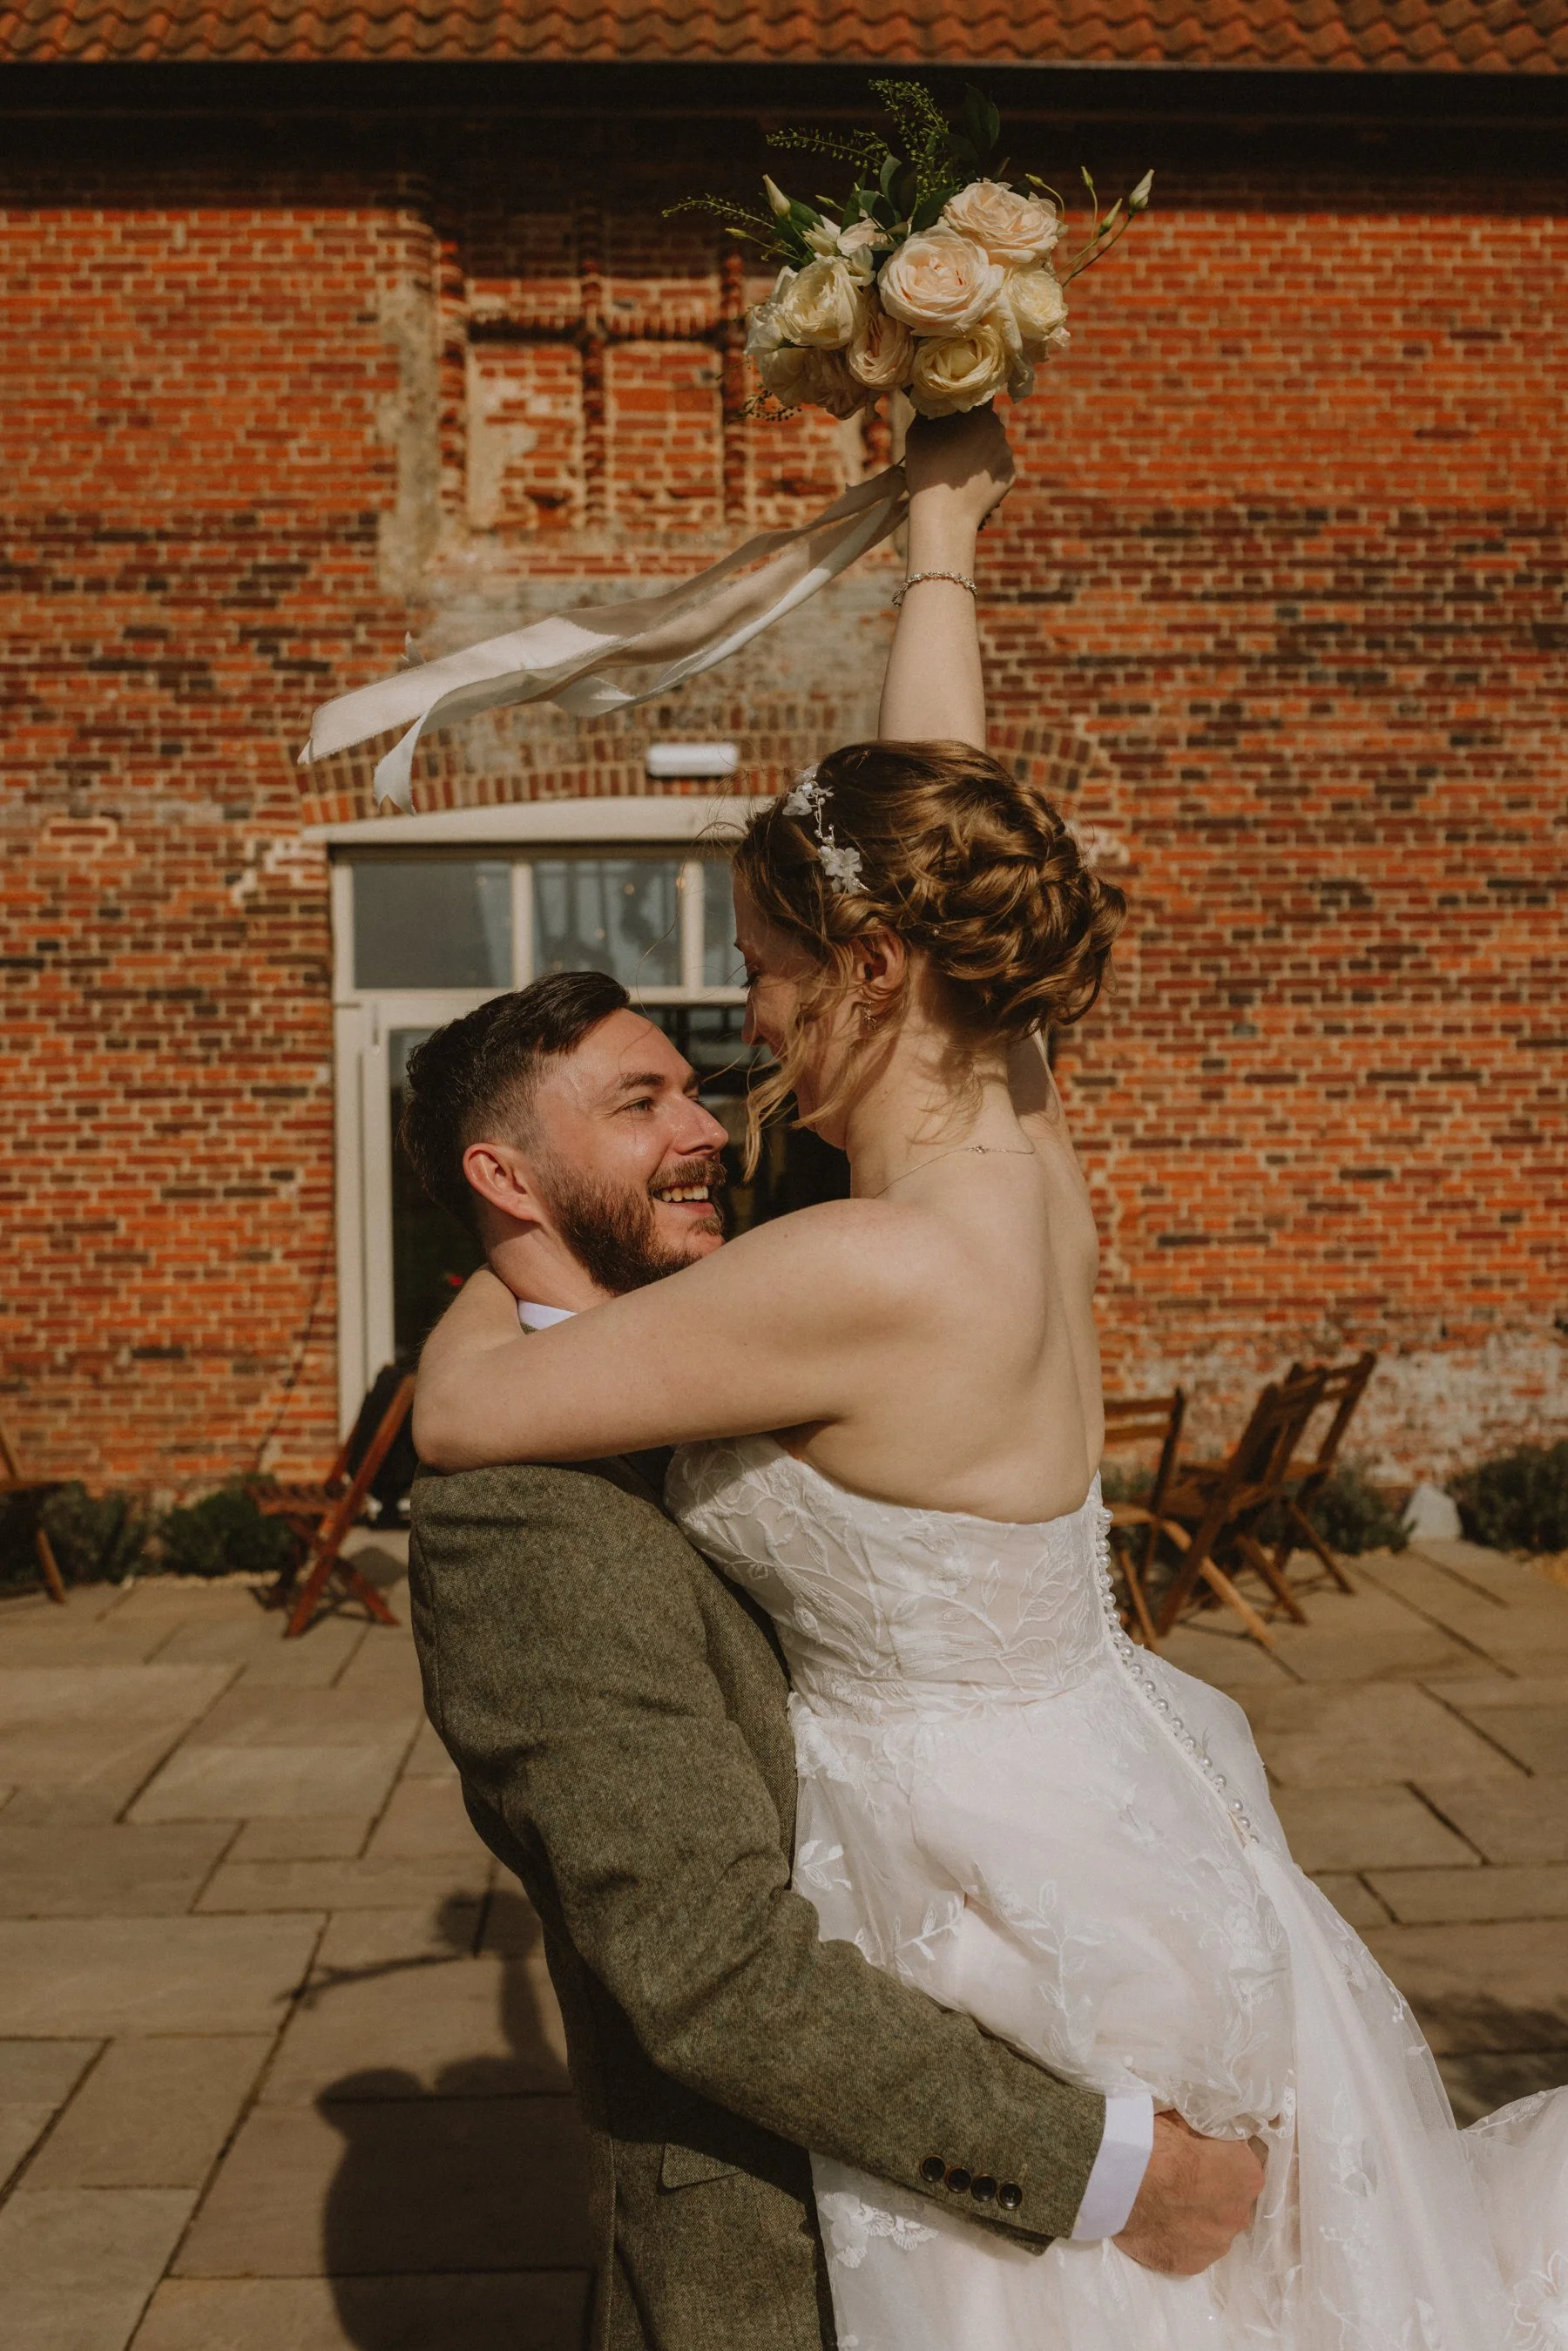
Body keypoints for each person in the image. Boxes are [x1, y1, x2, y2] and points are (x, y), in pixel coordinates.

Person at [413, 410, 1568, 2349]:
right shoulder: (1023, 1152)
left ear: (871, 967)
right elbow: (948, 787)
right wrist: (942, 528)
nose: (751, 1017)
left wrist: (503, 1227)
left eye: (771, 967)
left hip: (977, 1866)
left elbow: (463, 1411)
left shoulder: (849, 1268)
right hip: (1122, 1796)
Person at [401, 969, 1259, 2351]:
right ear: (504, 1170)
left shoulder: (713, 1350)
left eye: (693, 1086)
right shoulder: (524, 1519)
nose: (709, 1130)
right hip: (790, 2244)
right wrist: (1118, 2174)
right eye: (640, 1103)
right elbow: (714, 1971)